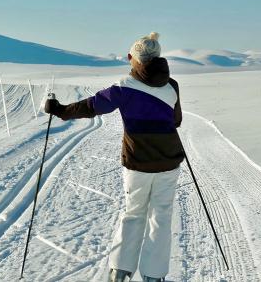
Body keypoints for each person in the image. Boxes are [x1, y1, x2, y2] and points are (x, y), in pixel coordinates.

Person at [44, 32, 184, 282]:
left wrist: (60, 111)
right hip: (169, 161)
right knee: (161, 215)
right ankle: (154, 276)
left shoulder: (124, 87)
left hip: (137, 164)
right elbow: (176, 121)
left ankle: (119, 272)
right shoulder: (171, 85)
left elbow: (91, 106)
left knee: (134, 213)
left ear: (133, 58)